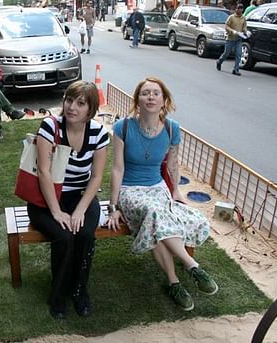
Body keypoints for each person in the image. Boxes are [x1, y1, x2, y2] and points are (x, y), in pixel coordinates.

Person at [107, 77, 218, 311]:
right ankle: (191, 265)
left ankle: (173, 282)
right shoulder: (123, 127)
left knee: (155, 220)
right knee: (154, 212)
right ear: (137, 99)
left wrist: (176, 190)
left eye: (155, 93)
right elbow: (117, 168)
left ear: (164, 100)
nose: (150, 97)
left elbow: (173, 164)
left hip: (158, 187)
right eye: (145, 93)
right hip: (130, 190)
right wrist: (114, 206)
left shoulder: (171, 128)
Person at [28, 80, 109, 319]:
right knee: (64, 237)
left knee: (84, 234)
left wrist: (80, 210)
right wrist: (56, 211)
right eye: (69, 100)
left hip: (79, 197)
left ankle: (79, 289)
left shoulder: (98, 133)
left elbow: (96, 177)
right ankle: (58, 294)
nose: (72, 107)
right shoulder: (50, 127)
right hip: (47, 197)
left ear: (90, 109)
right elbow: (43, 171)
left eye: (80, 103)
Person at [216, 3, 247, 76]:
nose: (239, 10)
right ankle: (219, 62)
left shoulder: (243, 18)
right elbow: (226, 26)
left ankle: (236, 69)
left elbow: (244, 27)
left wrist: (246, 31)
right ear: (236, 9)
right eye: (238, 9)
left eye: (241, 9)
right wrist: (232, 31)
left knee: (239, 54)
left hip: (238, 39)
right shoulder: (231, 17)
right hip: (230, 38)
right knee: (226, 53)